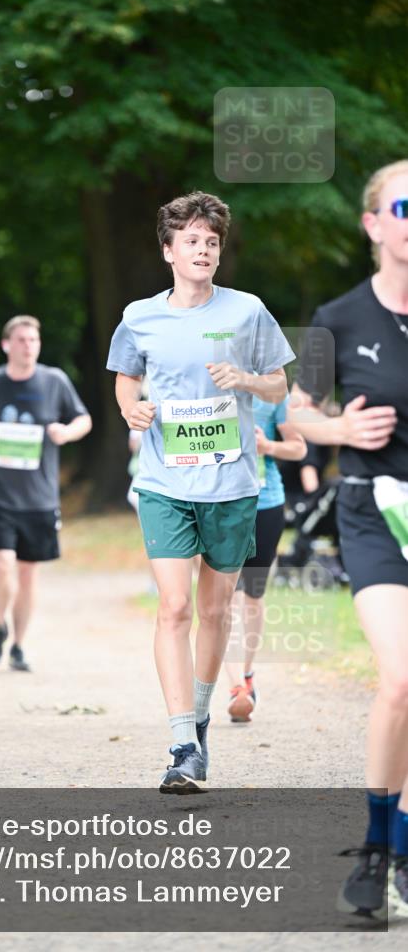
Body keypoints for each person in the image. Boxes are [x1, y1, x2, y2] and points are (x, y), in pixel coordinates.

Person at [106, 191, 295, 794]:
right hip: (164, 481)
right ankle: (182, 741)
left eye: (211, 242)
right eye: (191, 240)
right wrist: (131, 410)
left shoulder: (247, 310)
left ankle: (203, 715)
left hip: (233, 484)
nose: (203, 250)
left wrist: (246, 379)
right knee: (174, 607)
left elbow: (278, 385)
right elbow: (126, 381)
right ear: (168, 251)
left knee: (214, 611)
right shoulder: (140, 316)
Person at [289, 160, 408, 919]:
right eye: (405, 206)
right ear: (372, 224)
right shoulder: (335, 318)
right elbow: (295, 413)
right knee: (401, 680)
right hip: (374, 514)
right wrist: (340, 430)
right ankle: (374, 845)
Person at [0, 315, 92, 672]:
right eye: (21, 340)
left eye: (33, 340)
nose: (28, 346)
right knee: (1, 563)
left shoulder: (54, 380)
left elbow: (83, 419)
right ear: (6, 345)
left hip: (39, 498)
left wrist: (66, 433)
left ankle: (18, 645)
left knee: (27, 574)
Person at [224, 395, 306, 721]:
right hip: (219, 505)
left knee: (253, 595)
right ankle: (236, 689)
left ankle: (246, 674)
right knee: (225, 596)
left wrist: (266, 446)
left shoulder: (273, 393)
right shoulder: (206, 385)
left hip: (265, 504)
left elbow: (298, 448)